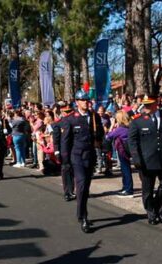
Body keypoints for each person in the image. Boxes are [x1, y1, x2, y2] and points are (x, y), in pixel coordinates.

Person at [61, 90, 104, 233]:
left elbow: (100, 133)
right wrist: (65, 160)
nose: (86, 102)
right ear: (77, 102)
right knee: (81, 184)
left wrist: (99, 139)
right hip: (77, 156)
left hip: (90, 155)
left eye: (87, 100)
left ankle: (80, 213)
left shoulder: (94, 116)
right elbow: (65, 141)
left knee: (86, 187)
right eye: (83, 100)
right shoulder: (71, 119)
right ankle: (84, 217)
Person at [128, 95, 162, 225]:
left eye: (149, 104)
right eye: (145, 104)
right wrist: (136, 158)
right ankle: (151, 212)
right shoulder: (138, 121)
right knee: (147, 190)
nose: (146, 107)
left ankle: (157, 208)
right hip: (147, 160)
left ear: (156, 104)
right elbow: (132, 141)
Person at [106, 110, 133, 197]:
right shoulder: (129, 127)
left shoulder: (120, 129)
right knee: (126, 169)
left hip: (122, 151)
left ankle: (128, 189)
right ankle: (125, 187)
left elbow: (108, 136)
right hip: (128, 150)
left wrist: (112, 126)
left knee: (125, 170)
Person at [54, 104, 76, 201]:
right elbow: (56, 140)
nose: (68, 114)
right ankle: (67, 192)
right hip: (64, 152)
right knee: (66, 171)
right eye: (66, 112)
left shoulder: (75, 123)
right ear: (62, 112)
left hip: (74, 151)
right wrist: (57, 152)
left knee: (73, 171)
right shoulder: (58, 124)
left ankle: (72, 190)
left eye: (69, 111)